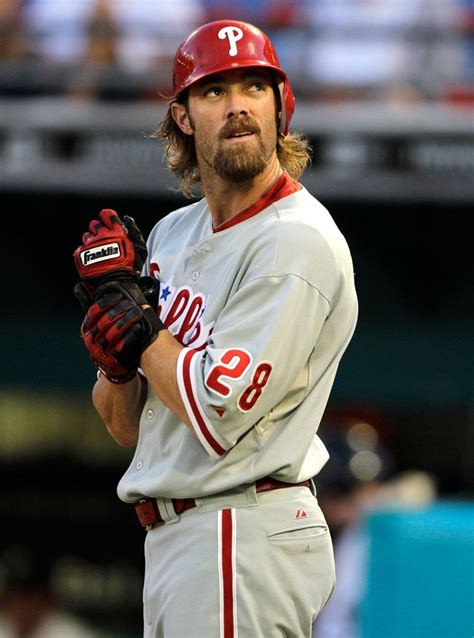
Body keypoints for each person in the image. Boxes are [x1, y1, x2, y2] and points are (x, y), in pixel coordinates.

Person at [72, 19, 358, 637]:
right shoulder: (174, 233)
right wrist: (120, 358)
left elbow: (215, 415)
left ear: (281, 107)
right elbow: (124, 425)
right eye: (214, 92)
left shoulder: (295, 240)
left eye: (255, 88)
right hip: (184, 537)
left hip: (242, 527)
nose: (238, 108)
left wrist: (142, 332)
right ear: (182, 117)